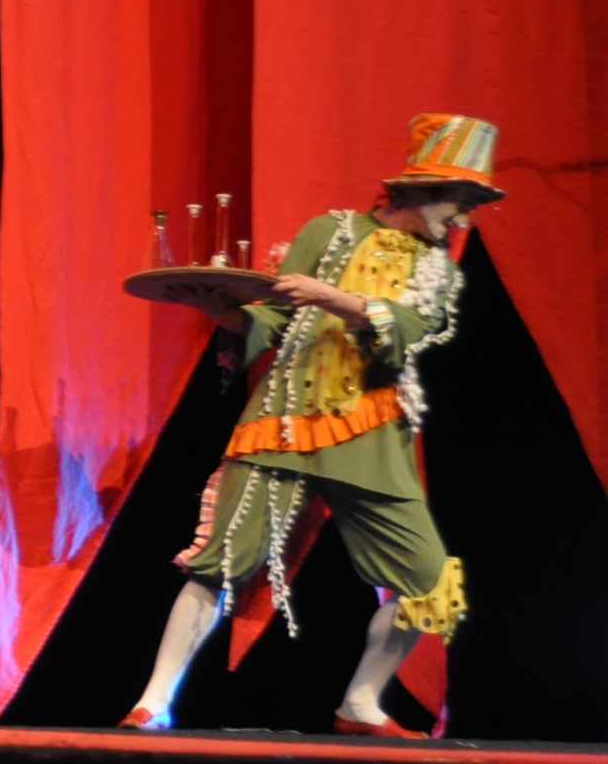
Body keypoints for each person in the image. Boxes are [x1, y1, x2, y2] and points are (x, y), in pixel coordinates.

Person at [124, 114, 502, 737]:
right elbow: (274, 322)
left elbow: (407, 330)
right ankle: (153, 702)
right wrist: (221, 311)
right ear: (418, 191)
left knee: (429, 582)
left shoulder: (439, 271)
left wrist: (333, 299)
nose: (463, 219)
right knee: (220, 562)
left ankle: (360, 704)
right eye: (459, 201)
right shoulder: (329, 233)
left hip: (371, 433)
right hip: (283, 424)